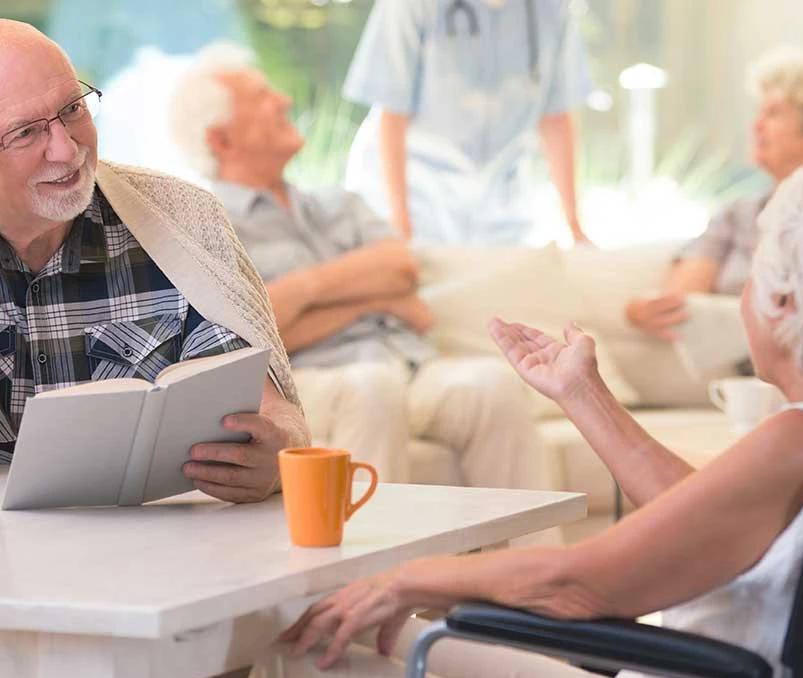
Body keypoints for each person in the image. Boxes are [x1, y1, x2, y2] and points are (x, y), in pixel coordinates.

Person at [246, 159, 803, 678]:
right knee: (359, 624)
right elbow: (706, 517)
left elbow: (577, 588)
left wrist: (407, 578)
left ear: (781, 303)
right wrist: (582, 392)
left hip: (692, 677)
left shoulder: (799, 437)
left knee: (320, 633)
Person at [0, 20, 309, 508]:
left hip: (152, 560)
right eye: (26, 132)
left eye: (72, 109)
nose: (66, 148)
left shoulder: (179, 219)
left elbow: (274, 412)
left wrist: (280, 449)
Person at [168, 44, 553, 493]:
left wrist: (301, 296)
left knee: (492, 386)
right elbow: (253, 339)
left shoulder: (338, 204)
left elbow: (399, 267)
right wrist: (369, 297)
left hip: (407, 362)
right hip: (312, 382)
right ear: (222, 139)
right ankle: (369, 565)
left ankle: (542, 563)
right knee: (373, 390)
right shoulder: (208, 226)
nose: (284, 101)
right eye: (260, 97)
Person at [625, 52, 803, 342]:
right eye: (758, 112)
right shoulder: (737, 215)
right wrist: (642, 312)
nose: (756, 125)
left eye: (774, 113)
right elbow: (680, 301)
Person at [341, 0, 593, 246]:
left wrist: (574, 227)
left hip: (500, 205)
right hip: (410, 190)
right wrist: (400, 222)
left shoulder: (551, 8)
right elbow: (392, 114)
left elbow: (556, 116)